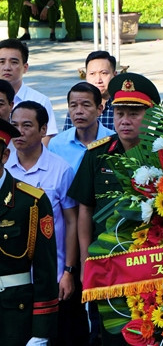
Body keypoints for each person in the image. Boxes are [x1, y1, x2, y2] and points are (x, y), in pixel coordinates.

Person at [68, 72, 160, 346]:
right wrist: (87, 263)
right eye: (119, 112)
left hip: (151, 265)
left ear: (150, 115)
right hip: (107, 264)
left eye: (134, 113)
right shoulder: (97, 154)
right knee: (109, 334)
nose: (125, 120)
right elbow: (84, 211)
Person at [7, 101, 88, 346]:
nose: (18, 132)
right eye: (14, 125)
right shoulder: (4, 168)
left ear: (43, 130)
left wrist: (69, 271)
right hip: (13, 279)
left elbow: (72, 222)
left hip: (53, 276)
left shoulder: (59, 170)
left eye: (27, 125)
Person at [0, 117, 59, 346]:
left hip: (14, 314)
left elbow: (45, 269)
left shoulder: (31, 202)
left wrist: (41, 332)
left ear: (5, 157)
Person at [0, 39, 58, 144]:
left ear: (25, 67)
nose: (7, 67)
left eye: (14, 62)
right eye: (1, 62)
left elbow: (47, 138)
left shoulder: (40, 101)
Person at [49, 82, 114, 171]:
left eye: (86, 105)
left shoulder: (114, 142)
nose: (79, 111)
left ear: (99, 109)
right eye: (73, 106)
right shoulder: (57, 144)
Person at [63, 51, 117, 131]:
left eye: (104, 73)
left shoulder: (121, 106)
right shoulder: (77, 107)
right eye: (92, 74)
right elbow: (67, 138)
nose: (98, 80)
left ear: (114, 75)